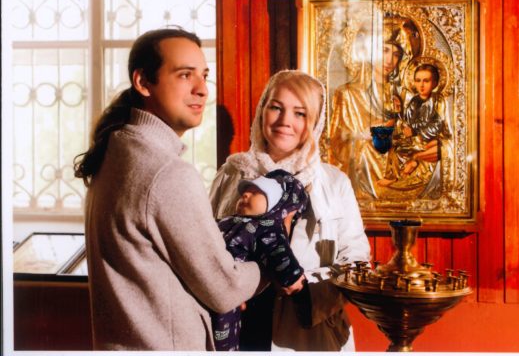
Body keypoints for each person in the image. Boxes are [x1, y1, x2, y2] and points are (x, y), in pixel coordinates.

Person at [73, 27, 262, 350]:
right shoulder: (168, 173)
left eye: (204, 75)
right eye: (185, 75)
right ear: (142, 82)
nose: (202, 89)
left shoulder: (113, 150)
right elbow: (225, 289)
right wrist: (273, 261)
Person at [209, 69, 371, 351]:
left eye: (300, 113)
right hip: (240, 327)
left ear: (315, 122)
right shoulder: (231, 174)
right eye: (276, 107)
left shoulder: (335, 183)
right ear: (262, 110)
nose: (285, 121)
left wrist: (304, 290)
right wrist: (223, 288)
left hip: (308, 336)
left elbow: (356, 262)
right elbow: (205, 245)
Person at [212, 169, 308, 351]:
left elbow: (283, 260)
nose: (245, 194)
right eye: (244, 191)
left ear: (275, 204)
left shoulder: (267, 228)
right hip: (203, 281)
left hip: (228, 296)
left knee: (220, 339)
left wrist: (299, 288)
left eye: (256, 192)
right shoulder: (227, 220)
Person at [329, 17, 421, 200]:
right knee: (366, 150)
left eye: (396, 54)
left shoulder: (400, 96)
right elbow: (336, 144)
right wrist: (364, 134)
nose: (390, 60)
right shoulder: (347, 94)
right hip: (363, 170)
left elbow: (410, 136)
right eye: (384, 50)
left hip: (396, 163)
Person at [378, 62, 452, 199]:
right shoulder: (414, 101)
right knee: (395, 148)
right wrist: (399, 111)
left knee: (429, 148)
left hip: (429, 138)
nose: (421, 85)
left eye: (426, 81)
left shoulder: (438, 100)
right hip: (415, 139)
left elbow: (437, 124)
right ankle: (393, 176)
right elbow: (408, 122)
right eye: (418, 81)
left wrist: (416, 131)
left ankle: (413, 162)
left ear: (435, 83)